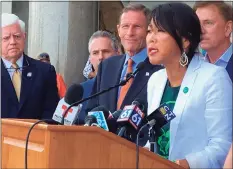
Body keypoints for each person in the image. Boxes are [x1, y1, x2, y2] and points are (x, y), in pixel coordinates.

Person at [146, 3, 232, 169]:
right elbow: (154, 138)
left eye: (161, 31)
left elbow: (222, 146)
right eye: (150, 30)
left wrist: (181, 164)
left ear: (185, 40)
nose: (151, 38)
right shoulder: (155, 81)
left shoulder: (214, 78)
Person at [87, 4, 162, 117]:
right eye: (125, 26)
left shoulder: (159, 69)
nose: (130, 33)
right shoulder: (107, 66)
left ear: (148, 31)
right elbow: (92, 109)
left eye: (136, 27)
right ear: (118, 30)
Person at [1, 13, 59, 119]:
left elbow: (51, 113)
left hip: (36, 134)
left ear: (24, 37)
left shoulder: (45, 72)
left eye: (17, 36)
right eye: (6, 38)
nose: (13, 42)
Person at [78, 30, 120, 124]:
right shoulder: (80, 91)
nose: (100, 57)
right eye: (95, 53)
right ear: (90, 58)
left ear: (117, 54)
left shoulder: (124, 85)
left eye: (106, 51)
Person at [193, 1, 233, 81]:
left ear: (228, 28)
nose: (200, 31)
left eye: (208, 23)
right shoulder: (194, 66)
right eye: (197, 23)